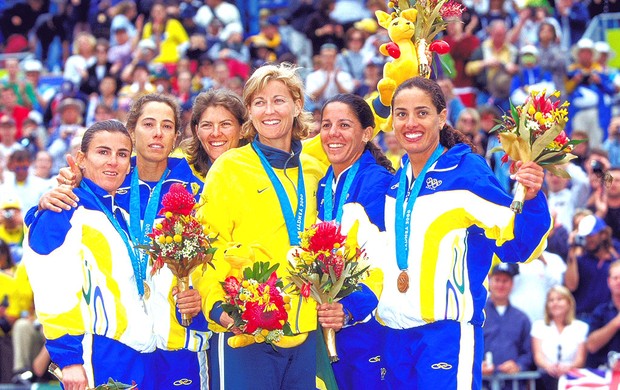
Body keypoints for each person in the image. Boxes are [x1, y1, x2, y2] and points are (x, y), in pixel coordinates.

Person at [376, 76, 551, 389]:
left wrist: (534, 197)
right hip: (394, 335)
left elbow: (517, 246)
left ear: (442, 117)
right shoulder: (396, 180)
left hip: (446, 336)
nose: (410, 122)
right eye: (401, 114)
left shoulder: (466, 172)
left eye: (422, 112)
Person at [196, 63, 327, 389]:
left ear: (297, 106)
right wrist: (216, 303)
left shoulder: (313, 169)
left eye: (279, 100)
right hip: (245, 325)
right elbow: (207, 242)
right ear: (250, 114)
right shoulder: (229, 167)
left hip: (304, 326)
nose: (269, 110)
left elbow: (360, 125)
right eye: (259, 102)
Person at [23, 120, 157, 388]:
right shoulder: (64, 207)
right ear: (82, 158)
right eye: (103, 152)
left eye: (121, 154)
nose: (113, 162)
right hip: (92, 354)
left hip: (132, 352)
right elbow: (52, 287)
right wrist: (70, 359)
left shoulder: (122, 213)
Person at [316, 94, 394, 389]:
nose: (333, 133)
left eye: (344, 125)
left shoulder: (377, 181)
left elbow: (384, 259)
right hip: (331, 324)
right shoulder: (323, 184)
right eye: (326, 125)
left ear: (366, 133)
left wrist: (350, 307)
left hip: (367, 325)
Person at [482, 263, 533, 385]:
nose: (500, 285)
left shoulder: (522, 319)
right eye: (497, 280)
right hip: (482, 383)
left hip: (512, 384)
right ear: (489, 281)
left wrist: (518, 365)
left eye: (505, 281)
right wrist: (476, 365)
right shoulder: (478, 314)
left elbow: (528, 352)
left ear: (512, 284)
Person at [180, 89, 247, 180]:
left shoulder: (260, 173)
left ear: (242, 130)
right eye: (207, 125)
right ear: (197, 131)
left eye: (225, 124)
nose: (216, 133)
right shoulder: (182, 175)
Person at [565, 214, 620, 323]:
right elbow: (571, 286)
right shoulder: (579, 260)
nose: (587, 239)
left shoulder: (615, 263)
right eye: (584, 236)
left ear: (603, 235)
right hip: (581, 317)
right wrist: (572, 249)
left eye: (591, 235)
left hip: (607, 318)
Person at [531, 285, 588, 390]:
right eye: (551, 300)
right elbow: (538, 356)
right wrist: (548, 366)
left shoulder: (581, 327)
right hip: (545, 379)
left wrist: (568, 368)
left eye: (559, 299)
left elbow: (580, 359)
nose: (555, 303)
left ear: (569, 303)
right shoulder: (538, 326)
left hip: (572, 380)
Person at [586, 260, 620, 368]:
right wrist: (615, 323)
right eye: (615, 278)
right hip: (604, 373)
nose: (619, 281)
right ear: (609, 282)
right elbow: (591, 346)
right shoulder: (600, 311)